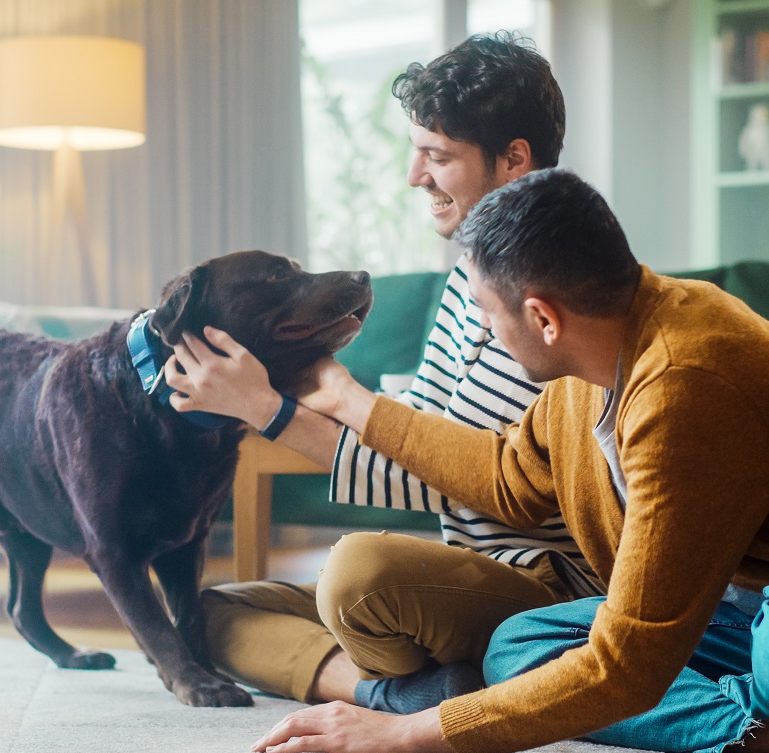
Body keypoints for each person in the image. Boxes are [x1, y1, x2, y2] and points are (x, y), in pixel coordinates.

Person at [167, 169, 769, 753]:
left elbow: (629, 664)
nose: (483, 327)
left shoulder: (691, 380)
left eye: (483, 310)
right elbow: (508, 479)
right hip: (749, 607)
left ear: (542, 316)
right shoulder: (594, 361)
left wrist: (409, 732)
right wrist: (350, 402)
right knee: (520, 649)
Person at [193, 33, 599, 716]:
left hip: (545, 589)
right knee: (203, 615)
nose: (415, 176)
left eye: (437, 156)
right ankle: (397, 691)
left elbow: (435, 477)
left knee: (358, 573)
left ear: (513, 162)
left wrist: (272, 410)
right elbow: (420, 441)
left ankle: (439, 673)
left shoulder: (550, 307)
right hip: (459, 576)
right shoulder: (464, 285)